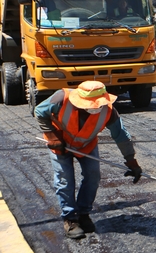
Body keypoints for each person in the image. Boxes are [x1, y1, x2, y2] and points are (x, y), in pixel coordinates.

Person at [36, 80, 142, 240]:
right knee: (65, 179)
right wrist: (52, 137)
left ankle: (84, 214)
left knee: (93, 176)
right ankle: (70, 219)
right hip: (60, 144)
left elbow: (121, 135)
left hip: (86, 144)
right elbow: (39, 112)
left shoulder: (108, 111)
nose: (96, 108)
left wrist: (131, 161)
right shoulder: (61, 98)